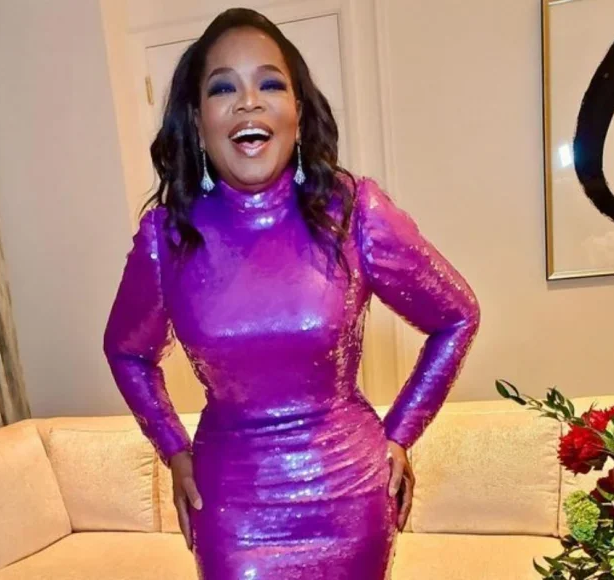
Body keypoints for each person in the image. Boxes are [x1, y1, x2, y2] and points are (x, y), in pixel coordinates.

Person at [103, 7, 480, 579]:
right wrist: (173, 449)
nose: (248, 102)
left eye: (270, 84)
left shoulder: (353, 212)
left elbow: (457, 315)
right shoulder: (167, 236)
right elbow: (127, 351)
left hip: (350, 496)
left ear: (298, 113)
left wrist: (402, 432)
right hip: (232, 507)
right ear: (197, 121)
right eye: (222, 87)